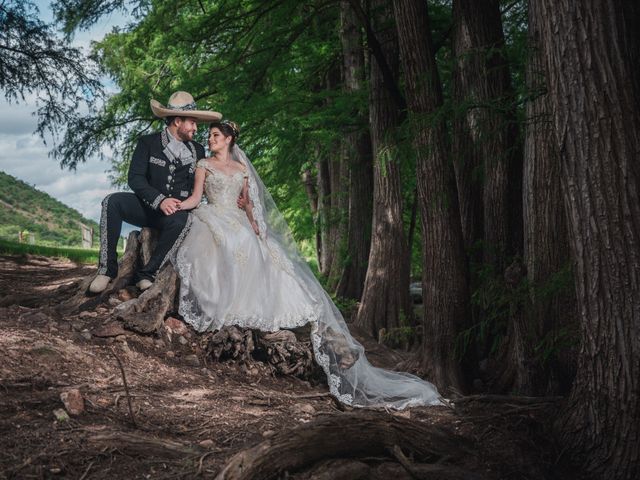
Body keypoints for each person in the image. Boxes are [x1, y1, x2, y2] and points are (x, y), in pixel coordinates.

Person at [88, 91, 222, 294]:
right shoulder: (147, 143)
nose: (196, 128)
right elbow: (135, 178)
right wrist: (159, 200)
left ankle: (147, 273)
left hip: (175, 214)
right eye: (192, 123)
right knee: (111, 202)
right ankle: (107, 269)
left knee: (183, 221)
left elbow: (204, 181)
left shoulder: (197, 150)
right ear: (178, 121)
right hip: (146, 207)